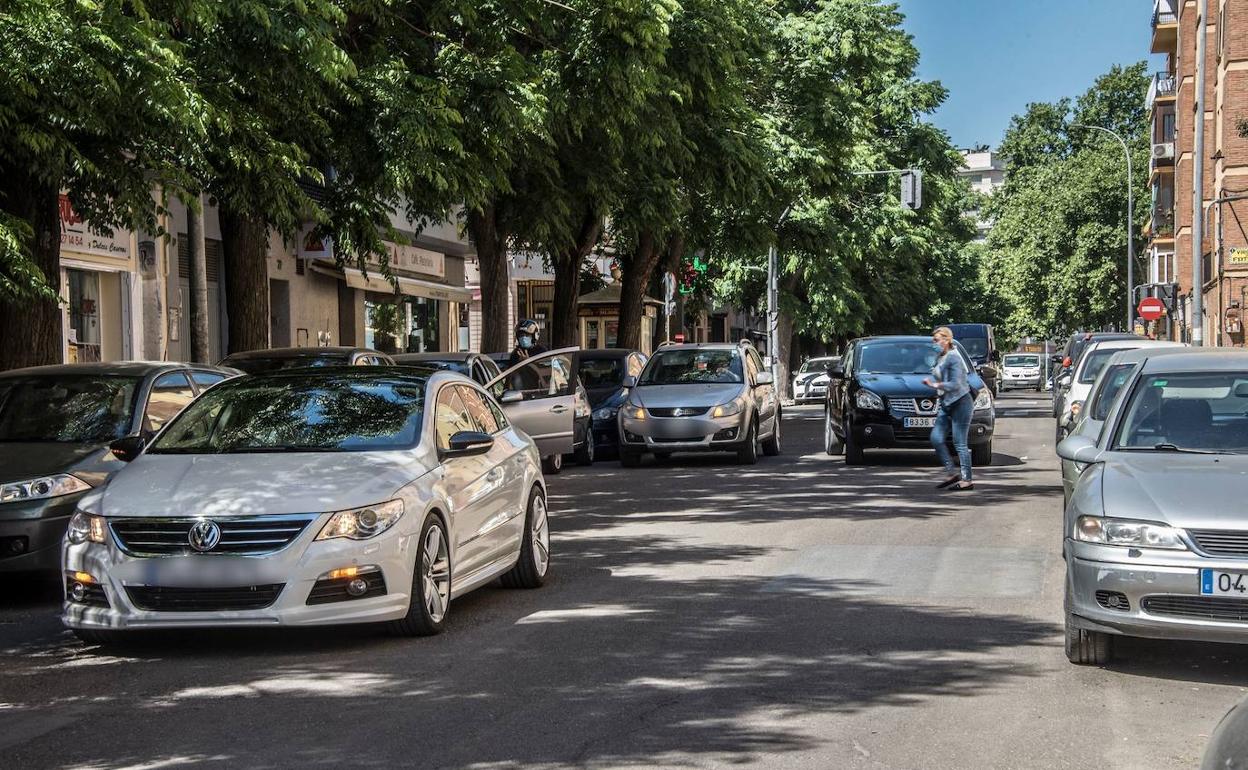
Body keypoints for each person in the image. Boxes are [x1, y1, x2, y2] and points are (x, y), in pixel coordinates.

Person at [923, 326, 974, 491]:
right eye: (934, 340)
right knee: (936, 438)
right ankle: (951, 473)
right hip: (946, 403)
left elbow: (955, 384)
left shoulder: (954, 358)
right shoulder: (941, 357)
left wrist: (934, 384)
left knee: (959, 442)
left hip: (961, 402)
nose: (934, 343)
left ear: (947, 340)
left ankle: (967, 480)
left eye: (937, 340)